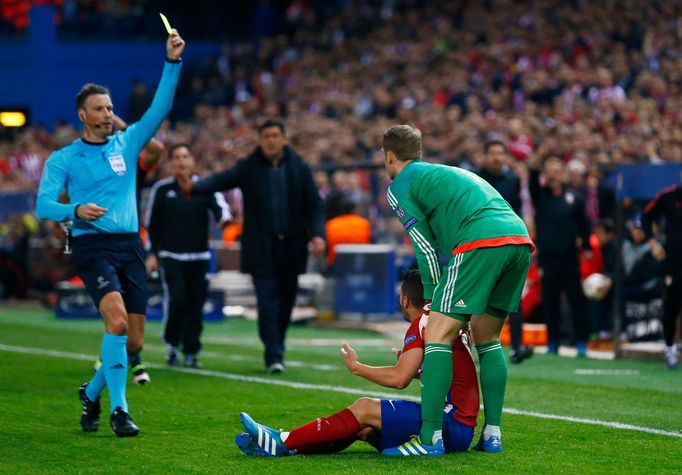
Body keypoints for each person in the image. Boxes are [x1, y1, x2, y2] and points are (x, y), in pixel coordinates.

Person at [35, 30, 185, 436]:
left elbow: (161, 106)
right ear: (82, 115)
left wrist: (172, 62)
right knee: (115, 322)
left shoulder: (128, 142)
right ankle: (120, 411)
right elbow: (42, 206)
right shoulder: (64, 157)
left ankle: (92, 393)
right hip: (91, 243)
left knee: (133, 341)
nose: (106, 114)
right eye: (99, 109)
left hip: (129, 246)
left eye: (110, 108)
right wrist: (75, 209)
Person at [380, 125, 534, 456]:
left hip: (480, 241)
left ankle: (430, 438)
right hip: (519, 239)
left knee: (437, 335)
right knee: (488, 337)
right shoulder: (443, 174)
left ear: (388, 156)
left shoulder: (400, 185)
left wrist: (432, 300)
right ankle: (492, 434)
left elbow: (423, 246)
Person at [235, 270, 479, 457]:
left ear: (405, 300)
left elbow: (399, 379)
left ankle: (281, 440)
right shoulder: (442, 318)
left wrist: (357, 367)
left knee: (364, 407)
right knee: (363, 429)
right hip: (458, 426)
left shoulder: (422, 323)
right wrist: (420, 371)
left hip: (449, 424)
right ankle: (293, 448)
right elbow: (450, 375)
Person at [177, 118, 326, 374]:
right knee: (267, 300)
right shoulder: (250, 166)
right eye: (266, 136)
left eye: (275, 135)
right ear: (259, 139)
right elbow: (223, 179)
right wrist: (195, 187)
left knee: (286, 301)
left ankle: (276, 343)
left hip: (291, 247)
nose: (271, 140)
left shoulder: (299, 167)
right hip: (261, 249)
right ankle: (273, 354)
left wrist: (319, 235)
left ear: (283, 139)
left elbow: (314, 203)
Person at [145, 144, 231, 368]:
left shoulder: (204, 187)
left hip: (199, 256)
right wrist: (152, 254)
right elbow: (151, 224)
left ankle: (192, 350)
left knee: (196, 303)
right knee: (178, 299)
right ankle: (173, 344)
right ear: (171, 163)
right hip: (171, 255)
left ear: (192, 161)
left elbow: (222, 209)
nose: (181, 161)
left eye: (185, 156)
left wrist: (223, 219)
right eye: (176, 157)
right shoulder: (162, 190)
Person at [476, 139, 533, 364]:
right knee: (477, 298)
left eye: (501, 153)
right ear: (485, 155)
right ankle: (470, 346)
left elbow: (517, 209)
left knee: (512, 296)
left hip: (509, 242)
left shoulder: (513, 179)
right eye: (493, 153)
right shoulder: (475, 177)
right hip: (482, 243)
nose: (497, 157)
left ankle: (517, 347)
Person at [528, 156, 591, 356]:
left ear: (563, 173)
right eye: (550, 170)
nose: (554, 174)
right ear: (546, 174)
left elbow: (584, 225)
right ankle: (553, 342)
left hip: (570, 256)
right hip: (548, 256)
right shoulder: (540, 196)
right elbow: (532, 179)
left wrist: (587, 246)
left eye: (557, 170)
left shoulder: (576, 198)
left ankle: (581, 341)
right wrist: (539, 162)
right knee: (550, 300)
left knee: (576, 300)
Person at [642, 184, 682, 370]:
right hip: (674, 261)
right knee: (671, 306)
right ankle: (669, 347)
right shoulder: (669, 196)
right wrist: (653, 243)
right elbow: (646, 216)